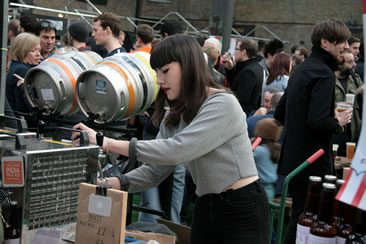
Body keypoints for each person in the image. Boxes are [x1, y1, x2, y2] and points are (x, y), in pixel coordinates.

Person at [72, 34, 269, 244]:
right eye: (157, 72)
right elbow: (155, 170)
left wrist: (105, 141)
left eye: (165, 71)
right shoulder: (175, 114)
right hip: (205, 205)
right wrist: (108, 183)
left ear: (188, 66)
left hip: (242, 207)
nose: (160, 80)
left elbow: (177, 149)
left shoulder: (223, 103)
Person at [274, 19, 352, 243]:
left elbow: (280, 113)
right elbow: (317, 121)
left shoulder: (302, 69)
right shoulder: (324, 74)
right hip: (312, 162)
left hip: (295, 159)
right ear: (325, 42)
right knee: (304, 219)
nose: (346, 46)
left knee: (300, 216)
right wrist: (337, 121)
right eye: (342, 42)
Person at [6, 33, 41, 126]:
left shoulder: (15, 66)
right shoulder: (23, 70)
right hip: (23, 125)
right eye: (33, 51)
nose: (38, 55)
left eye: (39, 50)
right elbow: (22, 106)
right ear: (22, 51)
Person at [333, 50, 363, 155]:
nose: (354, 64)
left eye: (354, 61)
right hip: (335, 132)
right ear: (339, 64)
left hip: (352, 133)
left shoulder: (355, 79)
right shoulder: (329, 80)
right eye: (350, 62)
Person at [223, 38, 263, 115]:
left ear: (243, 52)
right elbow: (236, 84)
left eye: (236, 49)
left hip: (242, 114)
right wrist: (231, 69)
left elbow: (241, 97)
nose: (234, 52)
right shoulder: (255, 66)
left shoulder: (249, 71)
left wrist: (223, 91)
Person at [253, 118, 282, 200]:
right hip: (270, 189)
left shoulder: (259, 150)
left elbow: (244, 157)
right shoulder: (274, 149)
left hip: (259, 189)